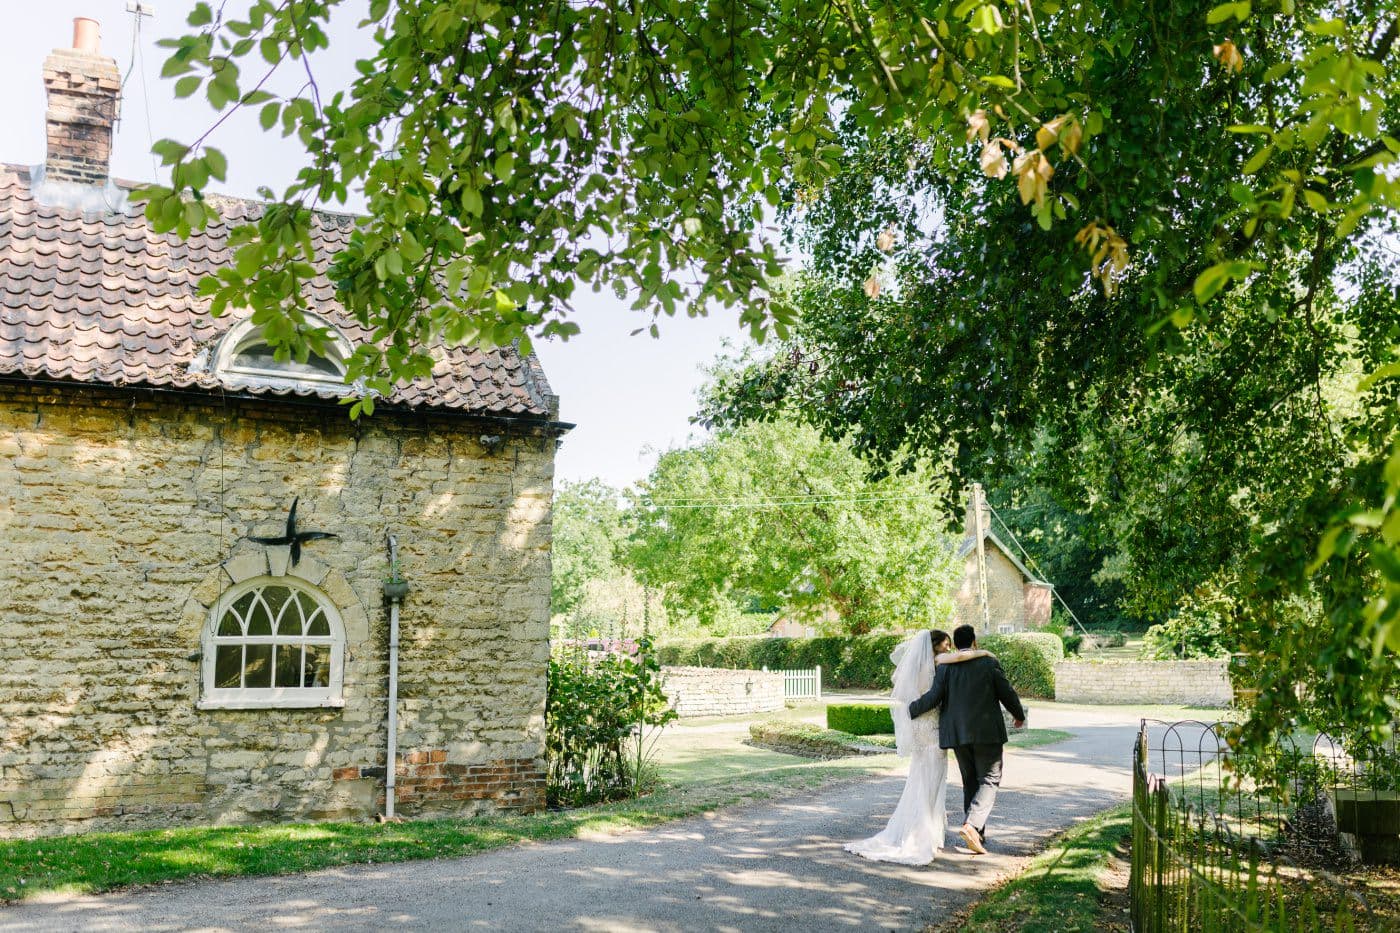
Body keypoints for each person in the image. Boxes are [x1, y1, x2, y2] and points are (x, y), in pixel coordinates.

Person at [844, 628, 988, 865]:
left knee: (921, 777)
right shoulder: (938, 665)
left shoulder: (918, 667)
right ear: (935, 646)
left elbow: (905, 694)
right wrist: (986, 654)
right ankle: (922, 835)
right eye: (945, 644)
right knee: (932, 779)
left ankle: (922, 831)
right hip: (931, 728)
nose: (948, 649)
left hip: (920, 727)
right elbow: (937, 693)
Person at [908, 623, 1025, 855]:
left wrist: (910, 710)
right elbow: (1006, 691)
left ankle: (977, 833)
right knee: (990, 779)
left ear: (956, 643)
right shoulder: (988, 662)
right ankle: (971, 826)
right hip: (986, 732)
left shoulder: (944, 667)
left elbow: (933, 697)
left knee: (970, 780)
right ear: (974, 642)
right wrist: (1018, 715)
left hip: (957, 734)